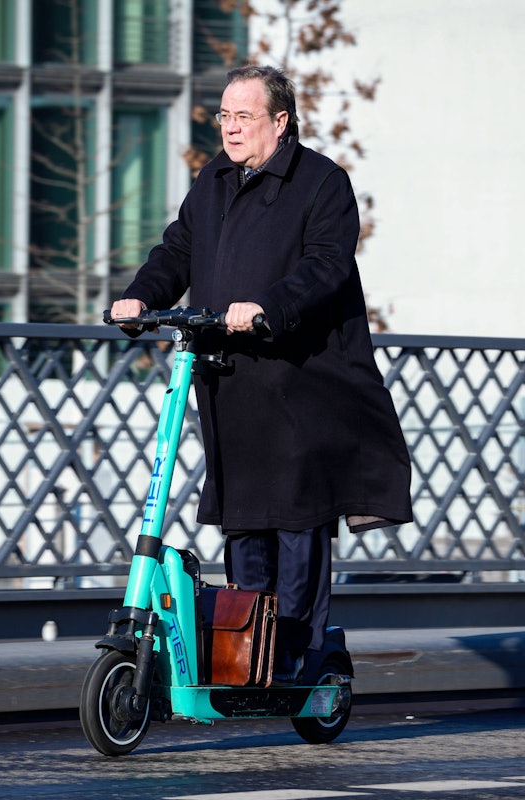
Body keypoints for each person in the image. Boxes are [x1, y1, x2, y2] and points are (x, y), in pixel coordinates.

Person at [111, 65, 412, 683]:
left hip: (303, 382)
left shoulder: (322, 182)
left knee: (298, 521)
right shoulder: (214, 180)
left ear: (280, 121)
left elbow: (327, 266)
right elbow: (177, 251)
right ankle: (246, 654)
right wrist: (140, 297)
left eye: (243, 116)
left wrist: (268, 308)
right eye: (223, 115)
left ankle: (298, 656)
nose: (230, 127)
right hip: (230, 379)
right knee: (243, 519)